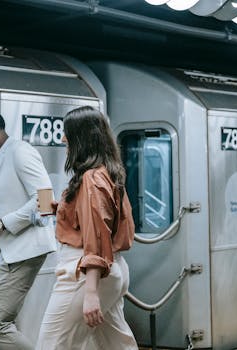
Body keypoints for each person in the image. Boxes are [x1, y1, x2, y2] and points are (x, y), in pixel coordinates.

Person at [36, 106, 138, 350]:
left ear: (81, 138)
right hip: (113, 268)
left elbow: (96, 236)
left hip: (85, 273)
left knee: (51, 344)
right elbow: (108, 220)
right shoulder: (109, 173)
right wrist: (64, 208)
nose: (63, 139)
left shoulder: (91, 179)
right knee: (116, 344)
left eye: (68, 133)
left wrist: (91, 292)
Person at [0, 109, 57, 350]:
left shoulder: (20, 151)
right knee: (3, 325)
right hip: (11, 252)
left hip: (24, 252)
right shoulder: (2, 158)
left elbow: (46, 201)